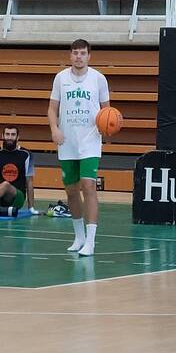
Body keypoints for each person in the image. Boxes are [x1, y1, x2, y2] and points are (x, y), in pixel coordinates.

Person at [48, 39, 110, 256]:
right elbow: (52, 108)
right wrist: (54, 129)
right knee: (71, 190)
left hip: (90, 140)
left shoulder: (98, 79)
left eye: (82, 53)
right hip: (67, 141)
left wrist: (107, 127)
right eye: (75, 53)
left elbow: (107, 111)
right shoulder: (60, 78)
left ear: (89, 56)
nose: (78, 57)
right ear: (70, 55)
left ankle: (91, 241)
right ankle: (79, 237)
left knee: (88, 185)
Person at [0, 126, 35, 216]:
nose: (10, 137)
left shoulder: (26, 154)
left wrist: (31, 208)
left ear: (18, 137)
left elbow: (29, 181)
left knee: (6, 184)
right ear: (2, 136)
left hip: (17, 197)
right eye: (7, 134)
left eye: (13, 135)